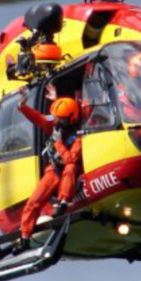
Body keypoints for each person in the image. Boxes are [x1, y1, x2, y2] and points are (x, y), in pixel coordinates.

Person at [13, 89, 82, 254]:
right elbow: (39, 119)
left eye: (60, 119)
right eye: (56, 117)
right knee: (33, 203)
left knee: (70, 169)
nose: (57, 121)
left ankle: (62, 203)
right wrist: (22, 106)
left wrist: (58, 143)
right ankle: (25, 238)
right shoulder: (54, 125)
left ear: (70, 119)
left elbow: (70, 160)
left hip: (68, 170)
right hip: (53, 170)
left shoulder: (79, 136)